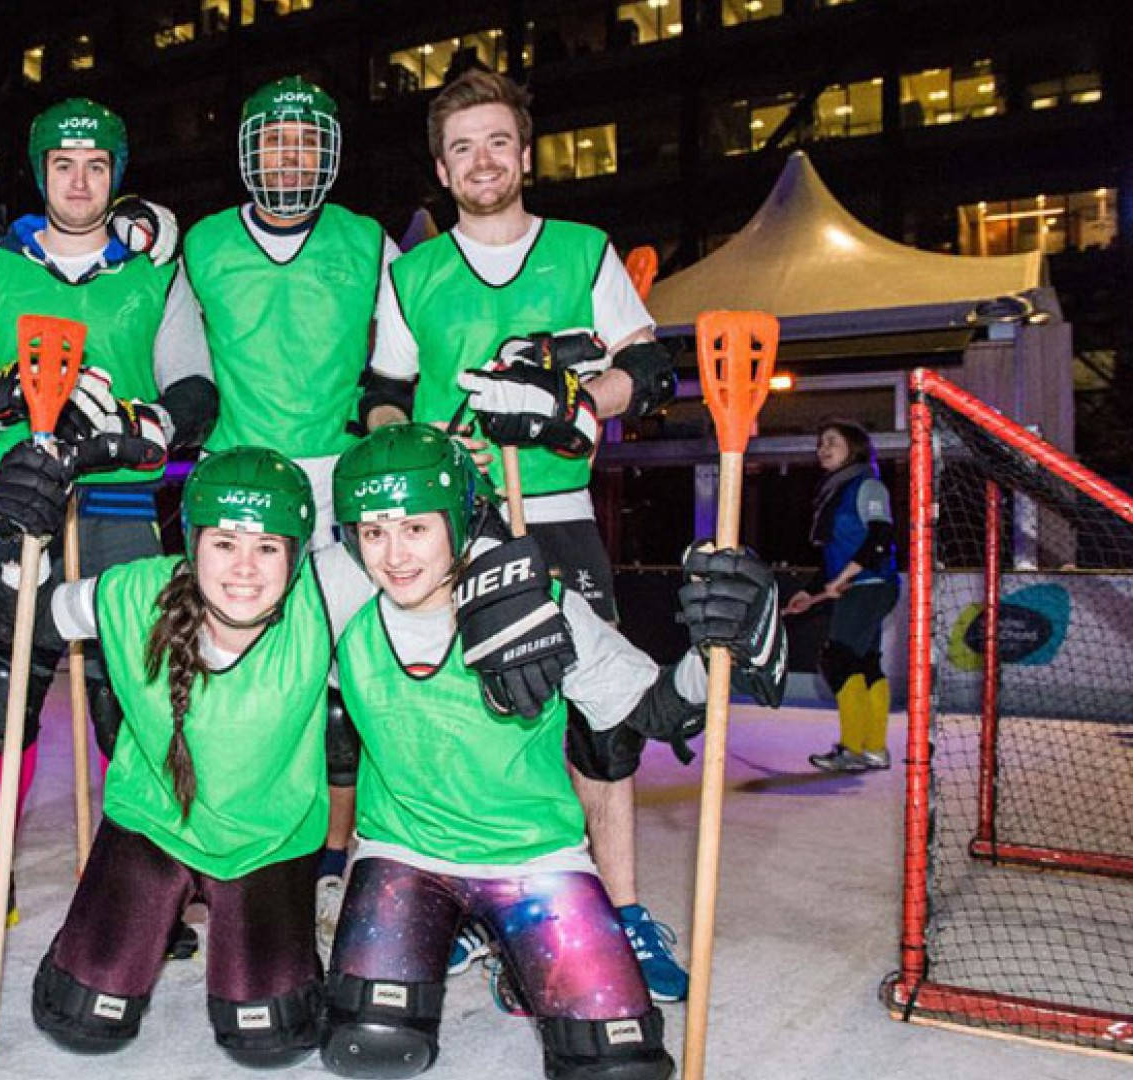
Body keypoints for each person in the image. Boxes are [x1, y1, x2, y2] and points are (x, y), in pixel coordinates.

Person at [319, 424, 785, 1080]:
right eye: (372, 532)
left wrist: (717, 658)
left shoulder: (541, 608)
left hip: (536, 856)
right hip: (404, 854)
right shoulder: (342, 604)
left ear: (459, 520)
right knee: (373, 1042)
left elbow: (651, 710)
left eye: (415, 529)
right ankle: (483, 938)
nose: (393, 555)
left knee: (614, 1065)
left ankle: (516, 950)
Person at [360, 67, 688, 1000]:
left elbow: (651, 369)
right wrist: (417, 453)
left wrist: (571, 400)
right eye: (462, 146)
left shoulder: (585, 251)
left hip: (556, 515)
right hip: (456, 530)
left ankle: (619, 912)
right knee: (463, 716)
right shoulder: (413, 273)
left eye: (497, 140)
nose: (482, 160)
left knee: (600, 719)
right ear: (440, 165)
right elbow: (383, 398)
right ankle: (477, 910)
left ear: (526, 153)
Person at [0, 96, 214, 953]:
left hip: (121, 510)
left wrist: (145, 423)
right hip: (22, 508)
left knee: (131, 698)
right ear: (40, 171)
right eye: (61, 164)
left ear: (115, 177)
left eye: (95, 166)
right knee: (6, 694)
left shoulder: (155, 274)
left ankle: (143, 875)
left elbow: (194, 390)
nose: (77, 181)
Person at [0, 444, 333, 1066]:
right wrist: (14, 544)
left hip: (268, 839)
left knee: (269, 1037)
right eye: (224, 544)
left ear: (297, 556)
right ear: (191, 543)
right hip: (152, 827)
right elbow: (25, 624)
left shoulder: (321, 599)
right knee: (82, 1020)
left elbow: (420, 561)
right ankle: (120, 927)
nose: (245, 569)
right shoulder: (135, 591)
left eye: (268, 548)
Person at [181, 75, 399, 957]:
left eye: (305, 143)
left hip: (337, 483)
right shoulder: (198, 243)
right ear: (247, 151)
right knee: (219, 680)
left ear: (330, 154)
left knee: (347, 686)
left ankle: (335, 864)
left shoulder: (368, 241)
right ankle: (219, 853)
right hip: (234, 486)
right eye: (273, 141)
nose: (289, 157)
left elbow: (393, 371)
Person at [787, 417, 900, 772]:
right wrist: (809, 592)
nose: (823, 448)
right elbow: (834, 558)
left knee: (838, 659)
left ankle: (853, 748)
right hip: (857, 586)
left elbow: (880, 539)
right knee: (865, 663)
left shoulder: (867, 486)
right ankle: (874, 748)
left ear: (854, 448)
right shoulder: (835, 493)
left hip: (870, 587)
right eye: (820, 443)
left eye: (832, 442)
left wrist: (846, 576)